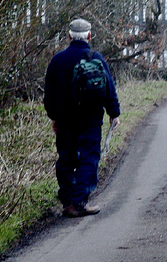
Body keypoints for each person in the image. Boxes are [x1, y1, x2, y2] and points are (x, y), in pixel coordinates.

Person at [44, 18, 120, 217]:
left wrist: (54, 117)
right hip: (91, 120)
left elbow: (49, 94)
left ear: (69, 36)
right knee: (89, 158)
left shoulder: (57, 60)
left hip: (65, 121)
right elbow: (109, 88)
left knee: (66, 159)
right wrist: (114, 114)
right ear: (89, 36)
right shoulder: (96, 58)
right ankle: (79, 202)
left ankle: (68, 202)